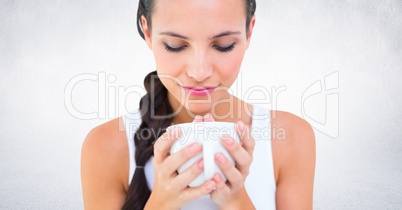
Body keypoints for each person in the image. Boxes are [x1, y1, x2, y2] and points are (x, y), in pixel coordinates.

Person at [81, 0, 316, 209]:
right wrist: (162, 202)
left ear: (249, 32)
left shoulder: (290, 138)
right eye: (175, 45)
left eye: (223, 45)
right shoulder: (106, 147)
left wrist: (236, 200)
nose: (199, 72)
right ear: (148, 32)